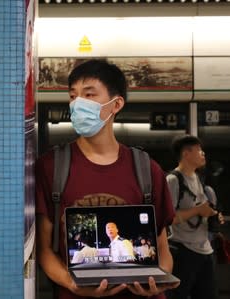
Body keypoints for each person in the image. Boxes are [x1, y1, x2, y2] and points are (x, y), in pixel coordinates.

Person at [35, 59, 179, 299]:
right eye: (73, 96)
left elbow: (163, 250)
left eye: (89, 95)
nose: (78, 103)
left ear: (116, 103)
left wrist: (158, 278)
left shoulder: (146, 169)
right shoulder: (51, 167)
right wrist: (71, 284)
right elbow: (44, 249)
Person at [165, 135, 225, 299]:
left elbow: (204, 209)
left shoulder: (201, 181)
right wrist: (198, 211)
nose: (203, 154)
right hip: (183, 251)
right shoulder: (173, 180)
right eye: (199, 150)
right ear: (186, 154)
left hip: (206, 250)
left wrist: (214, 215)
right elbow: (168, 218)